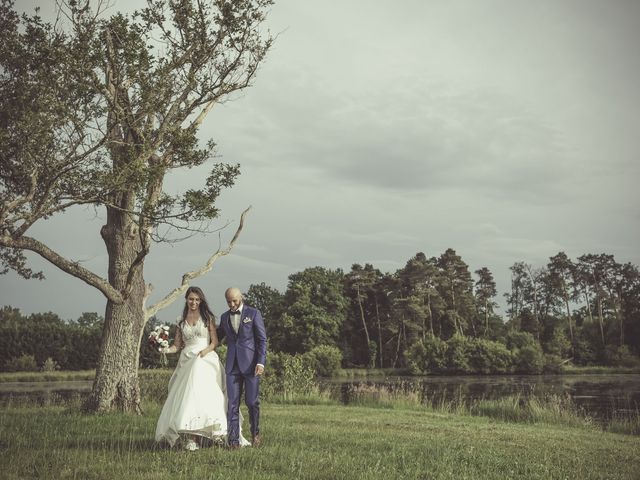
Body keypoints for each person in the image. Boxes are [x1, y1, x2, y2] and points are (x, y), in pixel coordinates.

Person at [155, 286, 249, 450]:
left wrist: (204, 351)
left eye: (197, 300)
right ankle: (191, 438)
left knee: (203, 393)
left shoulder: (207, 318)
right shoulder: (180, 320)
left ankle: (214, 432)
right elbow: (177, 346)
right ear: (186, 299)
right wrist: (164, 349)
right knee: (188, 397)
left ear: (201, 301)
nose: (194, 302)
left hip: (204, 357)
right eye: (191, 299)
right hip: (186, 359)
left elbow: (214, 342)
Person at [220, 287, 267, 449]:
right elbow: (215, 337)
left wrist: (260, 362)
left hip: (251, 365)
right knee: (232, 404)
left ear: (241, 298)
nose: (232, 304)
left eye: (234, 300)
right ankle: (233, 441)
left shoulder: (253, 314)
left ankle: (255, 433)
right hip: (232, 366)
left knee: (252, 402)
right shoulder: (224, 317)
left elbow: (262, 340)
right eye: (228, 301)